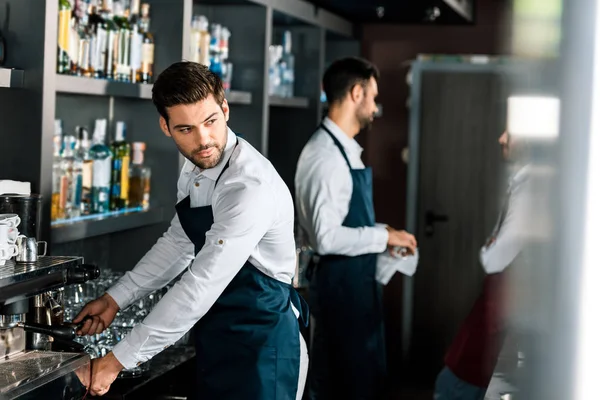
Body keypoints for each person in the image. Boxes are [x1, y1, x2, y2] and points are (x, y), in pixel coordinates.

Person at [74, 61, 309, 399]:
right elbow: (180, 241)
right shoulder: (196, 166)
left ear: (225, 108)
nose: (203, 140)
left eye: (210, 122)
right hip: (218, 339)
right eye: (185, 129)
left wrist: (116, 361)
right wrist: (115, 298)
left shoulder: (248, 187)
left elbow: (201, 284)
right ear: (165, 127)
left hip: (264, 347)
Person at [294, 57, 417, 400]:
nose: (375, 108)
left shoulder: (344, 150)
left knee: (363, 382)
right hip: (339, 295)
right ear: (356, 93)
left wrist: (385, 236)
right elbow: (326, 237)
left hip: (355, 290)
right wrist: (383, 236)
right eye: (373, 97)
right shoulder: (326, 156)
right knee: (342, 385)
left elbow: (342, 223)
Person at [433, 129, 531, 400]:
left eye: (510, 132)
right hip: (499, 303)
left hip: (502, 307)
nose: (500, 138)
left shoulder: (529, 189)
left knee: (450, 387)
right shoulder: (522, 183)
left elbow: (494, 257)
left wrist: (492, 244)